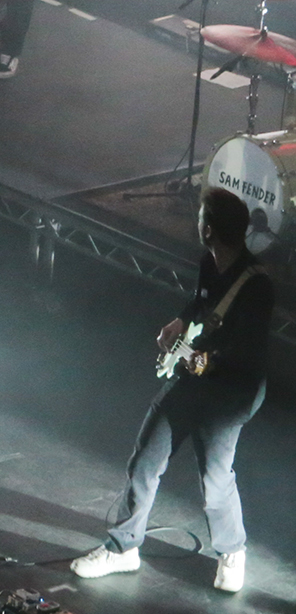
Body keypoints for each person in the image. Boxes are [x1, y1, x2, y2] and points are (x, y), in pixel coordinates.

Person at [70, 189, 271, 594]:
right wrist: (180, 321)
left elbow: (244, 354)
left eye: (200, 218)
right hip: (195, 377)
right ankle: (123, 547)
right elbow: (202, 305)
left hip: (230, 395)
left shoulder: (256, 286)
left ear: (208, 228)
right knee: (146, 458)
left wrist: (201, 362)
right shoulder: (209, 264)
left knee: (215, 478)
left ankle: (232, 551)